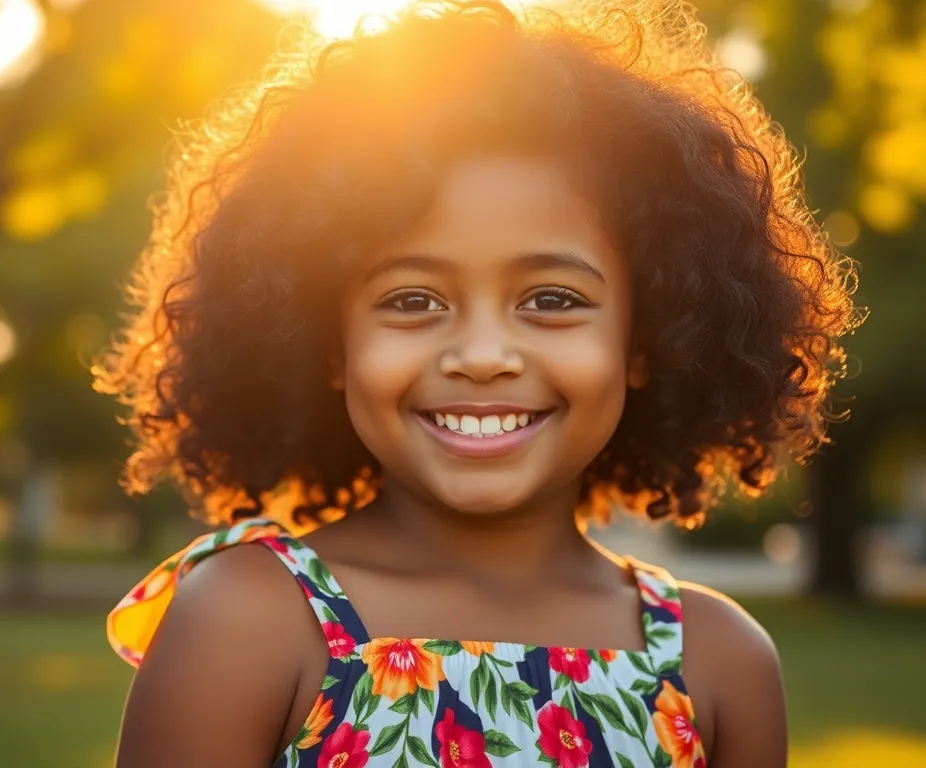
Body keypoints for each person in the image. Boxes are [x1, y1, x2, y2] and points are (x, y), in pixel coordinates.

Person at [95, 1, 862, 766]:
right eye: (413, 301)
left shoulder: (719, 665)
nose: (484, 354)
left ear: (644, 338)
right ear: (330, 345)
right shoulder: (246, 621)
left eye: (552, 300)